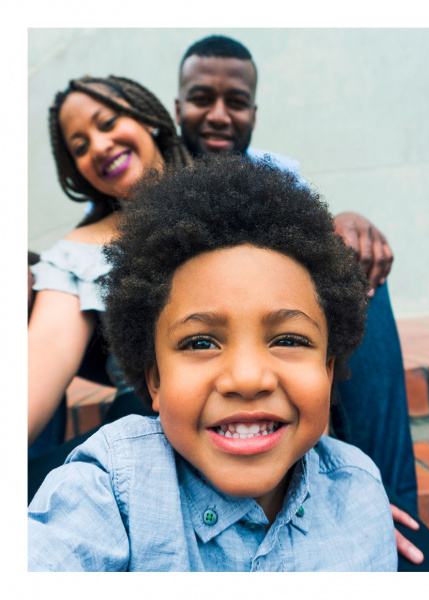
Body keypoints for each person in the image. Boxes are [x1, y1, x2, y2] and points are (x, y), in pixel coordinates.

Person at [29, 155, 396, 571]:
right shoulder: (111, 488)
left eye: (289, 339)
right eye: (201, 342)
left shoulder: (359, 493)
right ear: (155, 381)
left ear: (328, 372)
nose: (246, 378)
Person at [174, 35, 419, 519]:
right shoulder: (154, 171)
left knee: (355, 267)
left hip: (272, 335)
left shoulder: (277, 175)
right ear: (179, 106)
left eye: (236, 102)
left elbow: (316, 245)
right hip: (192, 350)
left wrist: (347, 222)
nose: (220, 115)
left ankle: (394, 510)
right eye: (203, 99)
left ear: (254, 113)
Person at [28, 76, 192, 451]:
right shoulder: (75, 255)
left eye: (107, 123)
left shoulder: (236, 195)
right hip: (141, 443)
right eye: (80, 147)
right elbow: (44, 353)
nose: (99, 146)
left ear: (146, 117)